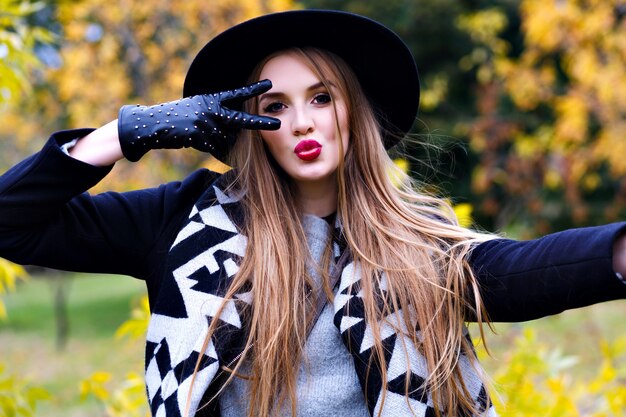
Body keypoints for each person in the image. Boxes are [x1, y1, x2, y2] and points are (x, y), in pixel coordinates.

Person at [0, 9, 625, 417]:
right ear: (248, 121)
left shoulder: (413, 240)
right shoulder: (182, 222)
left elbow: (518, 272)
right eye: (275, 104)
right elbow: (13, 221)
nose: (301, 122)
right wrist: (133, 129)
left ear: (351, 110)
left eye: (321, 98)